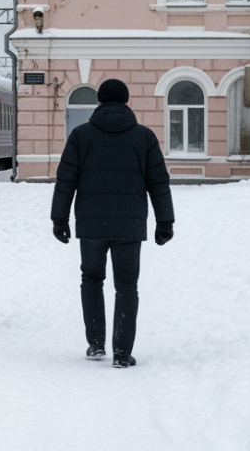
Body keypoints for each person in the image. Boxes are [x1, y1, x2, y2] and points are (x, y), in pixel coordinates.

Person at [50, 78, 175, 368]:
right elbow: (159, 183)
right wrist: (165, 221)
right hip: (129, 223)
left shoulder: (81, 135)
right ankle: (121, 352)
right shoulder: (144, 137)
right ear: (127, 102)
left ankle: (95, 343)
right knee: (127, 286)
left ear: (100, 102)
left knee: (91, 280)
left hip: (91, 223)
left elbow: (65, 180)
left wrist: (59, 218)